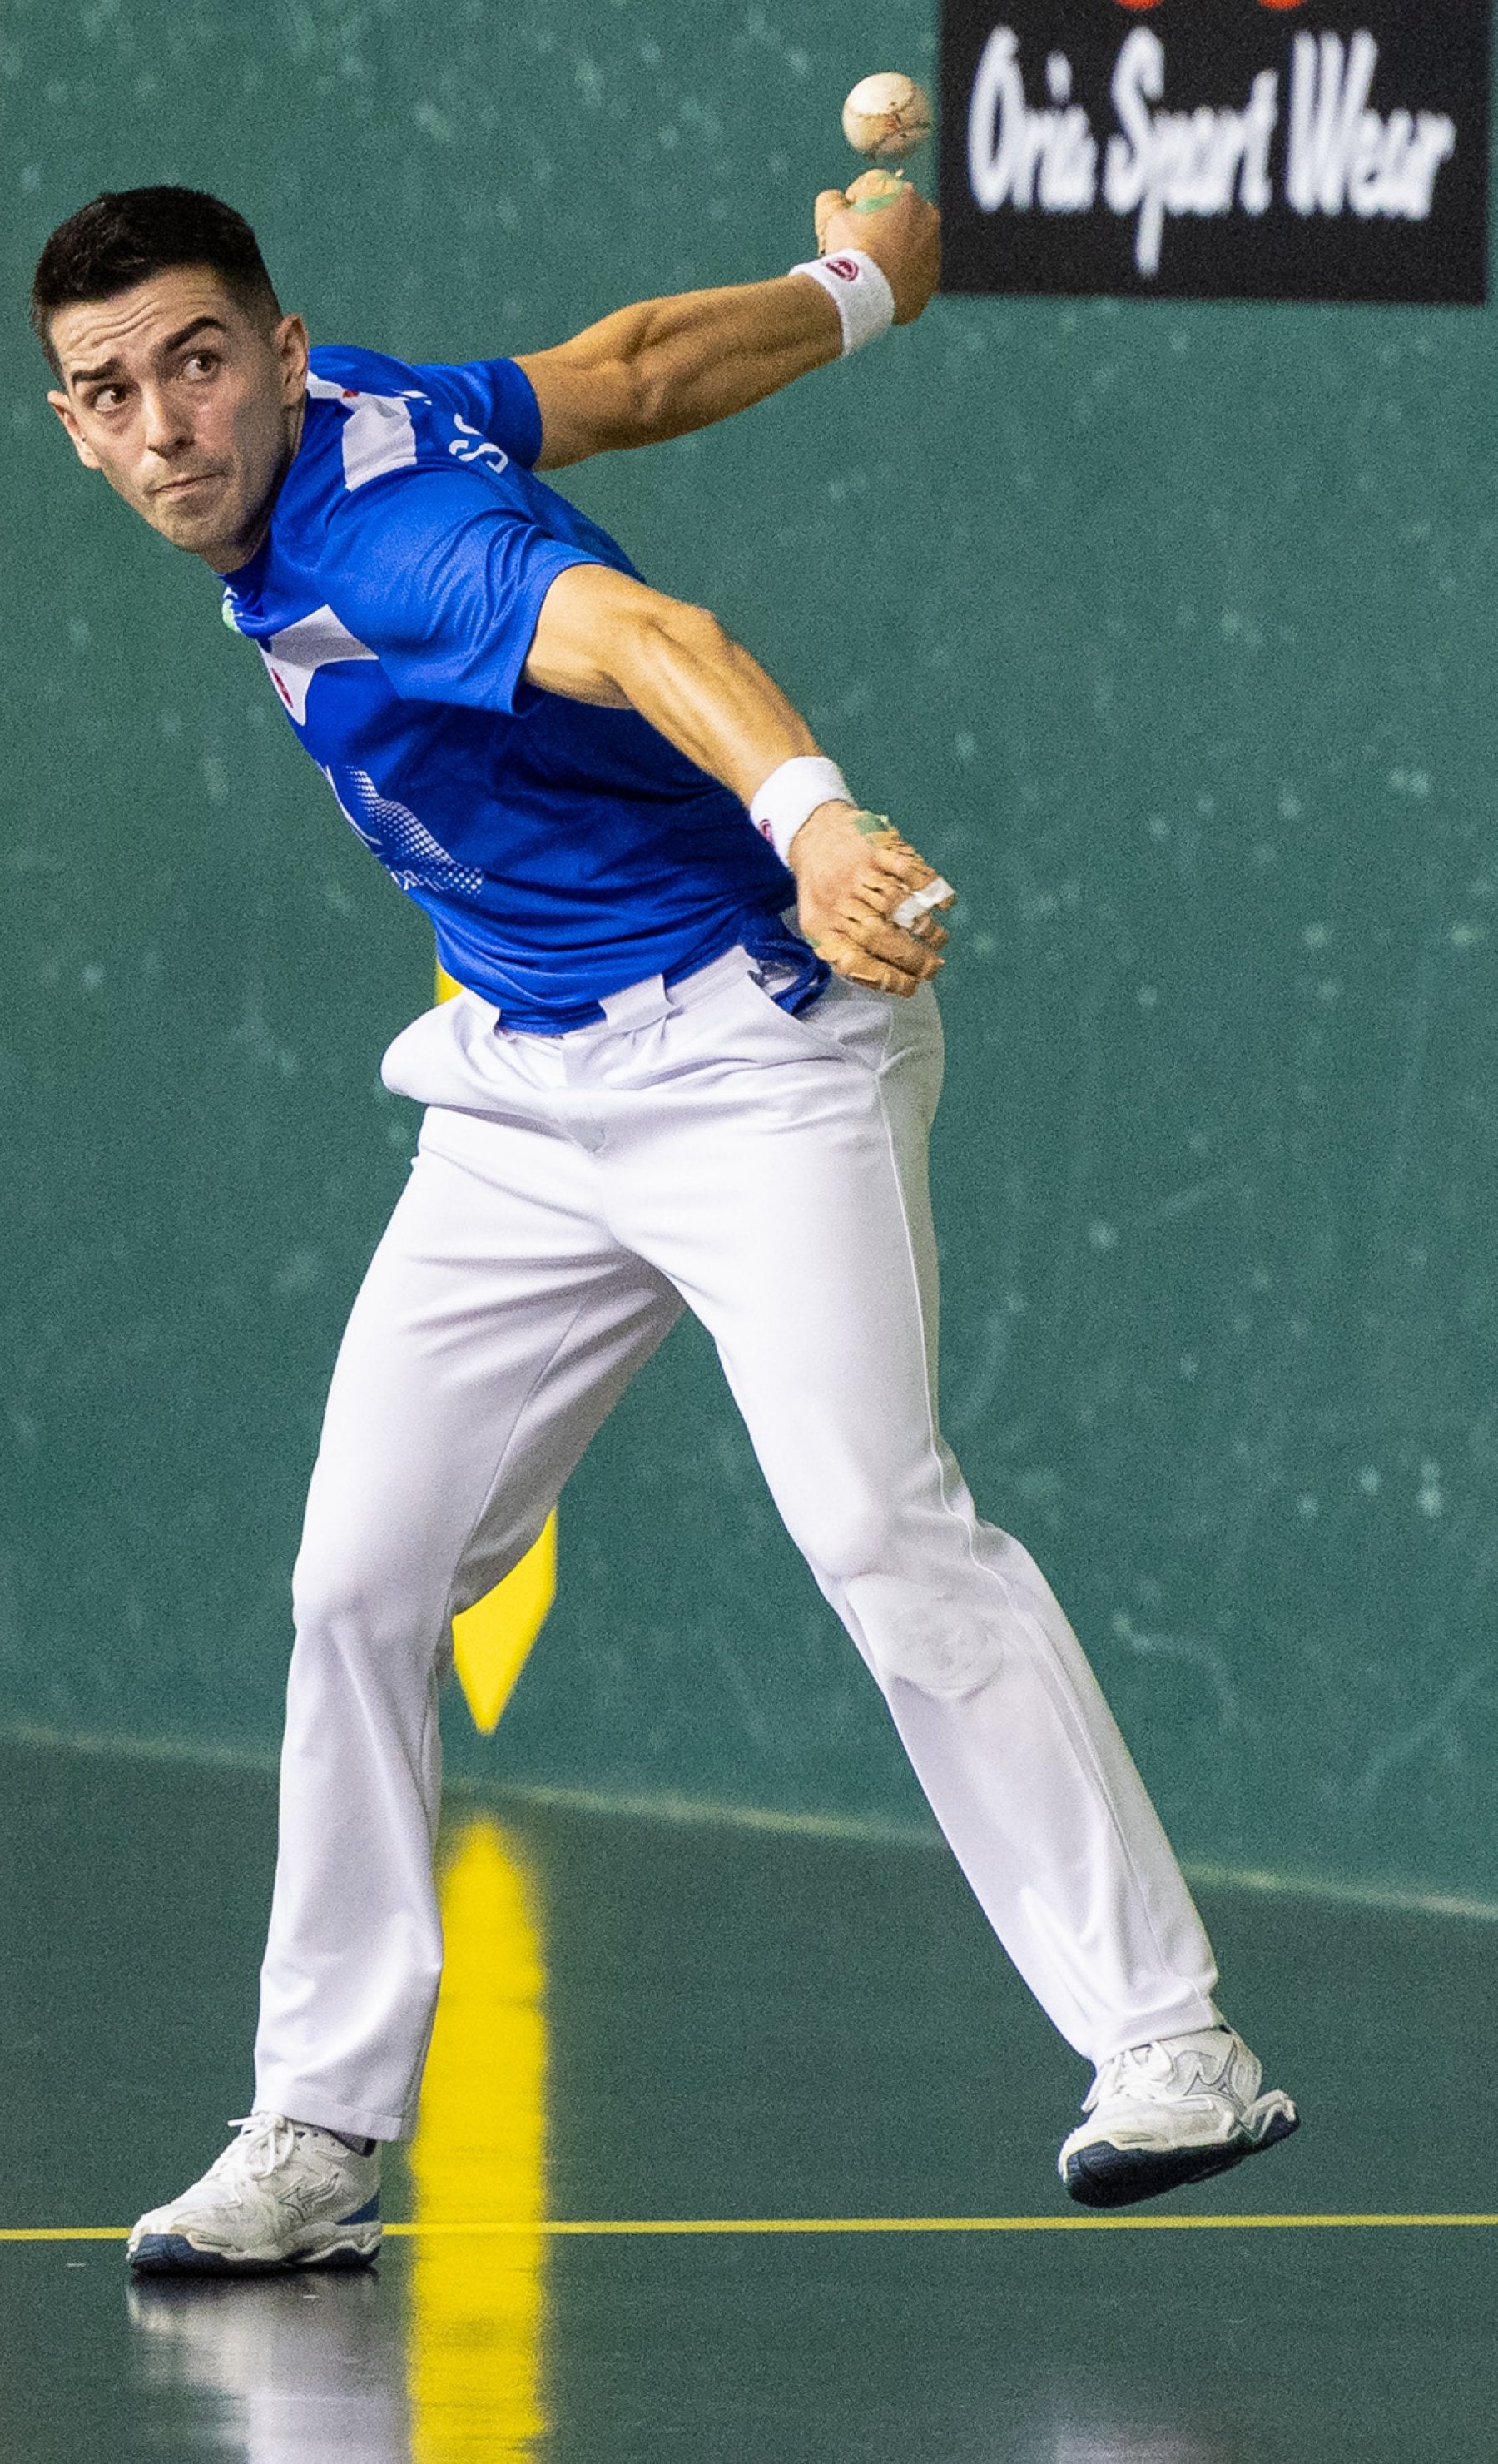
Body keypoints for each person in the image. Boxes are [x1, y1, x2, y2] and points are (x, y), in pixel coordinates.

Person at [32, 182, 1296, 2271]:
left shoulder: (385, 538)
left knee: (877, 1521)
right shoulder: (357, 412)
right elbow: (623, 374)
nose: (167, 424)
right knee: (357, 1581)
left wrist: (811, 823)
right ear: (71, 426)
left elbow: (653, 639)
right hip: (527, 1088)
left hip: (755, 1051)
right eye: (110, 391)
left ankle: (1172, 2041)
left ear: (275, 347)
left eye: (194, 364)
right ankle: (318, 2131)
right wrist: (862, 285)